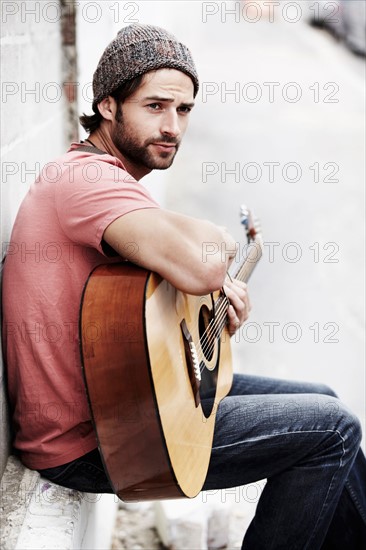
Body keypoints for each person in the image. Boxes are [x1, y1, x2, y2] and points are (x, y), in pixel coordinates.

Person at [2, 24, 365, 549]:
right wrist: (217, 243)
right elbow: (200, 266)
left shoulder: (109, 181)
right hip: (97, 437)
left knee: (323, 400)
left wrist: (207, 314)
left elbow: (149, 297)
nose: (173, 126)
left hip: (130, 397)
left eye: (184, 109)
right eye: (154, 106)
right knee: (332, 429)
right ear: (108, 105)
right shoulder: (85, 182)